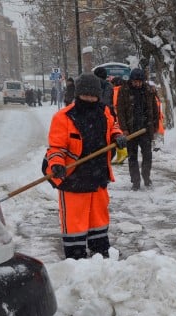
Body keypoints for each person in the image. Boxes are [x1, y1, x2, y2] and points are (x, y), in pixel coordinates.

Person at [44, 73, 127, 259]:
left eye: (93, 95)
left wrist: (117, 136)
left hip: (98, 175)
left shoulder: (104, 112)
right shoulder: (64, 117)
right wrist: (56, 164)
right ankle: (75, 258)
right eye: (85, 95)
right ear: (78, 95)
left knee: (99, 219)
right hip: (73, 178)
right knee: (74, 222)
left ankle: (101, 253)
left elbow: (113, 126)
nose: (90, 99)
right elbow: (56, 147)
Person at [116, 68, 160, 190]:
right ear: (131, 80)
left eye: (140, 82)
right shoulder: (124, 91)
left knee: (147, 155)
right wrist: (124, 128)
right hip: (130, 130)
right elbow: (120, 111)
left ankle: (146, 177)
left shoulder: (148, 90)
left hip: (145, 129)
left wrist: (154, 125)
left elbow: (154, 109)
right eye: (135, 81)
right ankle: (135, 181)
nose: (138, 84)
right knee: (132, 156)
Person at [111, 76, 128, 164]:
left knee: (118, 136)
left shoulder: (115, 91)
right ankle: (120, 155)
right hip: (123, 115)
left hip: (116, 115)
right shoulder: (125, 91)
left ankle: (123, 153)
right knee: (120, 135)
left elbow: (113, 104)